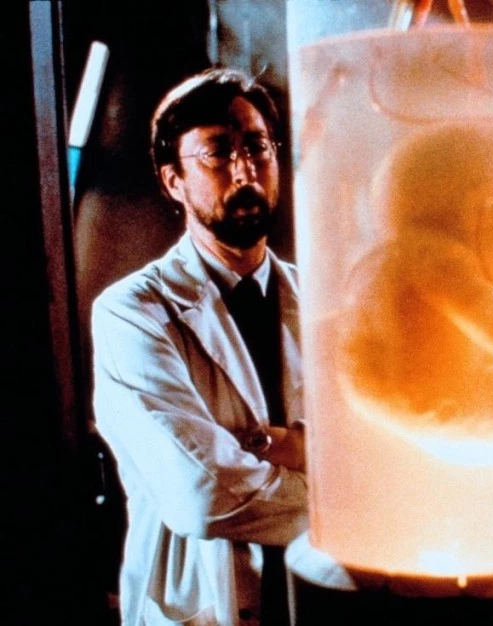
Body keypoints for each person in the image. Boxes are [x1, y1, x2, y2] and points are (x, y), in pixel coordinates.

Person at [91, 68, 307, 626]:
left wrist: (262, 452)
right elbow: (202, 493)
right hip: (203, 605)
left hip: (318, 594)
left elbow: (384, 447)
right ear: (173, 182)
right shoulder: (131, 314)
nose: (245, 169)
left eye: (257, 147)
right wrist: (336, 479)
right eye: (218, 153)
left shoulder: (326, 299)